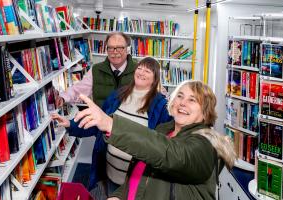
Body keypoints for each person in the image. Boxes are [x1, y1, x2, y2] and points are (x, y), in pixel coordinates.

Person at [74, 80, 236, 200]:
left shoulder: (206, 145)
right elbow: (139, 177)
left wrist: (111, 124)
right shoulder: (162, 131)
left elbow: (172, 154)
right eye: (179, 96)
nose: (182, 103)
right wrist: (119, 196)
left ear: (205, 113)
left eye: (192, 100)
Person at [52, 57, 173, 197]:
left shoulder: (161, 106)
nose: (141, 72)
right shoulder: (117, 95)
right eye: (139, 68)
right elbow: (97, 123)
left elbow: (162, 144)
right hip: (110, 172)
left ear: (155, 78)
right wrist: (70, 124)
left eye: (147, 71)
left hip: (135, 180)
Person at [56, 32, 138, 108]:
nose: (115, 52)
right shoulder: (96, 70)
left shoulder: (139, 71)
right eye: (111, 48)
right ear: (106, 50)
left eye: (120, 48)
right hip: (101, 120)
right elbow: (79, 89)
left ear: (127, 49)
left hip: (127, 122)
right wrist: (63, 98)